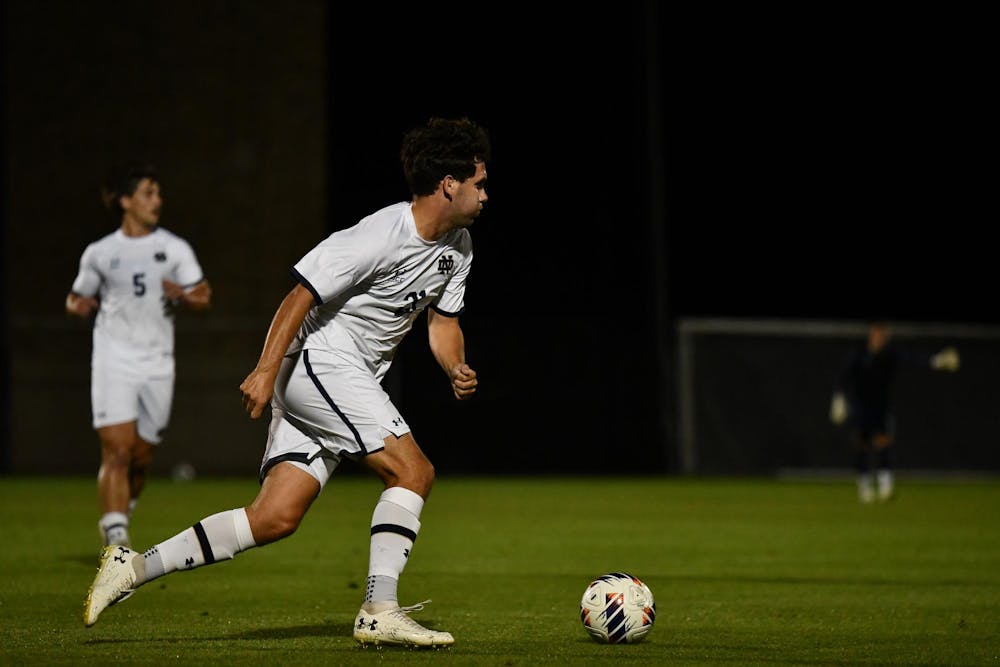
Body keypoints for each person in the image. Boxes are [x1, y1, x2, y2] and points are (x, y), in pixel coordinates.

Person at [82, 117, 491, 648]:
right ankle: (379, 607)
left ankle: (133, 567)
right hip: (321, 363)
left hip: (339, 377)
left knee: (274, 517)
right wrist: (265, 367)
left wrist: (453, 365)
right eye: (479, 182)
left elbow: (442, 323)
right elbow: (300, 295)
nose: (485, 193)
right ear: (449, 184)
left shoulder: (458, 246)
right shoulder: (379, 235)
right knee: (413, 471)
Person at [66, 160, 212, 549]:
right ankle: (117, 544)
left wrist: (184, 294)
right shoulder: (100, 252)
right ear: (126, 201)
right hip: (113, 358)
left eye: (159, 193)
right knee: (117, 449)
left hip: (158, 362)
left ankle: (121, 512)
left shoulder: (173, 247)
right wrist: (77, 306)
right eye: (149, 192)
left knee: (141, 458)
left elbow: (203, 294)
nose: (157, 200)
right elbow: (76, 296)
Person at [829, 319, 959, 503]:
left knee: (883, 444)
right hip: (860, 408)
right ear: (871, 335)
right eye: (876, 334)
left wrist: (937, 361)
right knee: (862, 445)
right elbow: (842, 377)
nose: (879, 338)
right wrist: (838, 399)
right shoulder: (858, 356)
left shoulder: (890, 355)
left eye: (883, 335)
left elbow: (913, 359)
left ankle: (885, 487)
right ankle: (864, 488)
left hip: (881, 408)